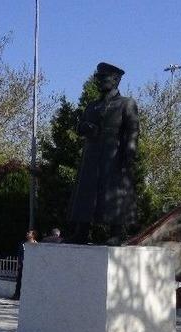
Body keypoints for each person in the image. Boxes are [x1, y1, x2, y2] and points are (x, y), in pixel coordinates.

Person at [69, 62, 139, 246]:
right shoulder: (92, 106)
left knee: (113, 190)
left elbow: (133, 130)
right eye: (97, 77)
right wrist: (85, 127)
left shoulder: (126, 103)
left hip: (113, 152)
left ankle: (116, 232)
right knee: (86, 190)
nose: (98, 81)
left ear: (115, 79)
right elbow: (80, 126)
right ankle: (82, 230)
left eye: (102, 77)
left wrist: (130, 152)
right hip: (92, 152)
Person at [11, 230, 37, 301]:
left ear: (33, 235)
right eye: (27, 233)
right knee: (19, 280)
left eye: (29, 233)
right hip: (22, 265)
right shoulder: (23, 243)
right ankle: (17, 294)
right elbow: (19, 254)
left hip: (31, 266)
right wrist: (19, 263)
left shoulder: (36, 244)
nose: (27, 233)